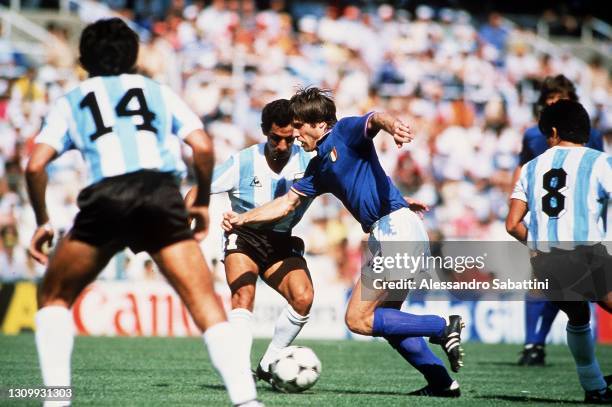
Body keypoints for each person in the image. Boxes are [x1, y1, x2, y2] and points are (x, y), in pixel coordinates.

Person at [25, 18, 260, 407]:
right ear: (135, 57)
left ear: (83, 60)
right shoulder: (157, 91)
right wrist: (200, 199)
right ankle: (246, 401)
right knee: (204, 302)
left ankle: (56, 400)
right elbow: (201, 146)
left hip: (107, 196)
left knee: (54, 296)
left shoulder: (72, 99)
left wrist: (42, 222)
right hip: (159, 193)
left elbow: (34, 166)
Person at [223, 87, 465, 397]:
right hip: (394, 229)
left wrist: (394, 127)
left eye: (298, 126)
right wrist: (244, 219)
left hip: (396, 230)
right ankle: (442, 383)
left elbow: (375, 119)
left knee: (358, 318)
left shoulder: (344, 131)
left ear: (320, 124)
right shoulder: (318, 166)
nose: (295, 134)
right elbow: (286, 204)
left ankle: (443, 326)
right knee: (389, 319)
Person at [186, 99, 315, 387]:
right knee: (243, 295)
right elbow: (198, 190)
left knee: (303, 298)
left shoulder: (309, 162)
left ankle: (269, 364)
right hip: (244, 236)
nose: (282, 147)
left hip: (281, 240)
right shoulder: (243, 161)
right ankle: (240, 372)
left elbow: (350, 185)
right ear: (263, 132)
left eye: (288, 139)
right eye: (274, 139)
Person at [507, 100, 612, 404]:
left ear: (552, 132)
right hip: (587, 254)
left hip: (547, 265)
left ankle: (594, 387)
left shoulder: (530, 167)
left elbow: (513, 224)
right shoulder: (599, 162)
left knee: (578, 317)